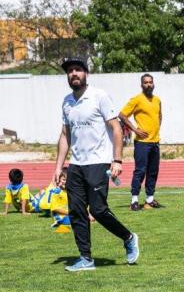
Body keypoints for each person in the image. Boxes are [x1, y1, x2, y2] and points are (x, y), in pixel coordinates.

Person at [54, 55, 139, 272]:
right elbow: (65, 136)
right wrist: (58, 166)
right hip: (76, 165)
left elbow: (116, 128)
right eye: (70, 70)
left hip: (99, 162)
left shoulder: (99, 96)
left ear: (86, 74)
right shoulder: (66, 102)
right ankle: (86, 258)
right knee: (76, 211)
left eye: (77, 70)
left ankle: (128, 237)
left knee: (99, 210)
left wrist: (117, 159)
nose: (74, 73)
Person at [119, 73, 163, 211]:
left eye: (150, 82)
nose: (149, 84)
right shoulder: (137, 99)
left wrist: (156, 131)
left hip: (155, 142)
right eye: (146, 82)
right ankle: (134, 200)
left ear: (153, 84)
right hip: (142, 143)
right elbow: (122, 115)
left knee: (153, 171)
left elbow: (159, 116)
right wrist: (135, 130)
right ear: (141, 85)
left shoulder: (157, 100)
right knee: (140, 171)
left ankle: (149, 199)